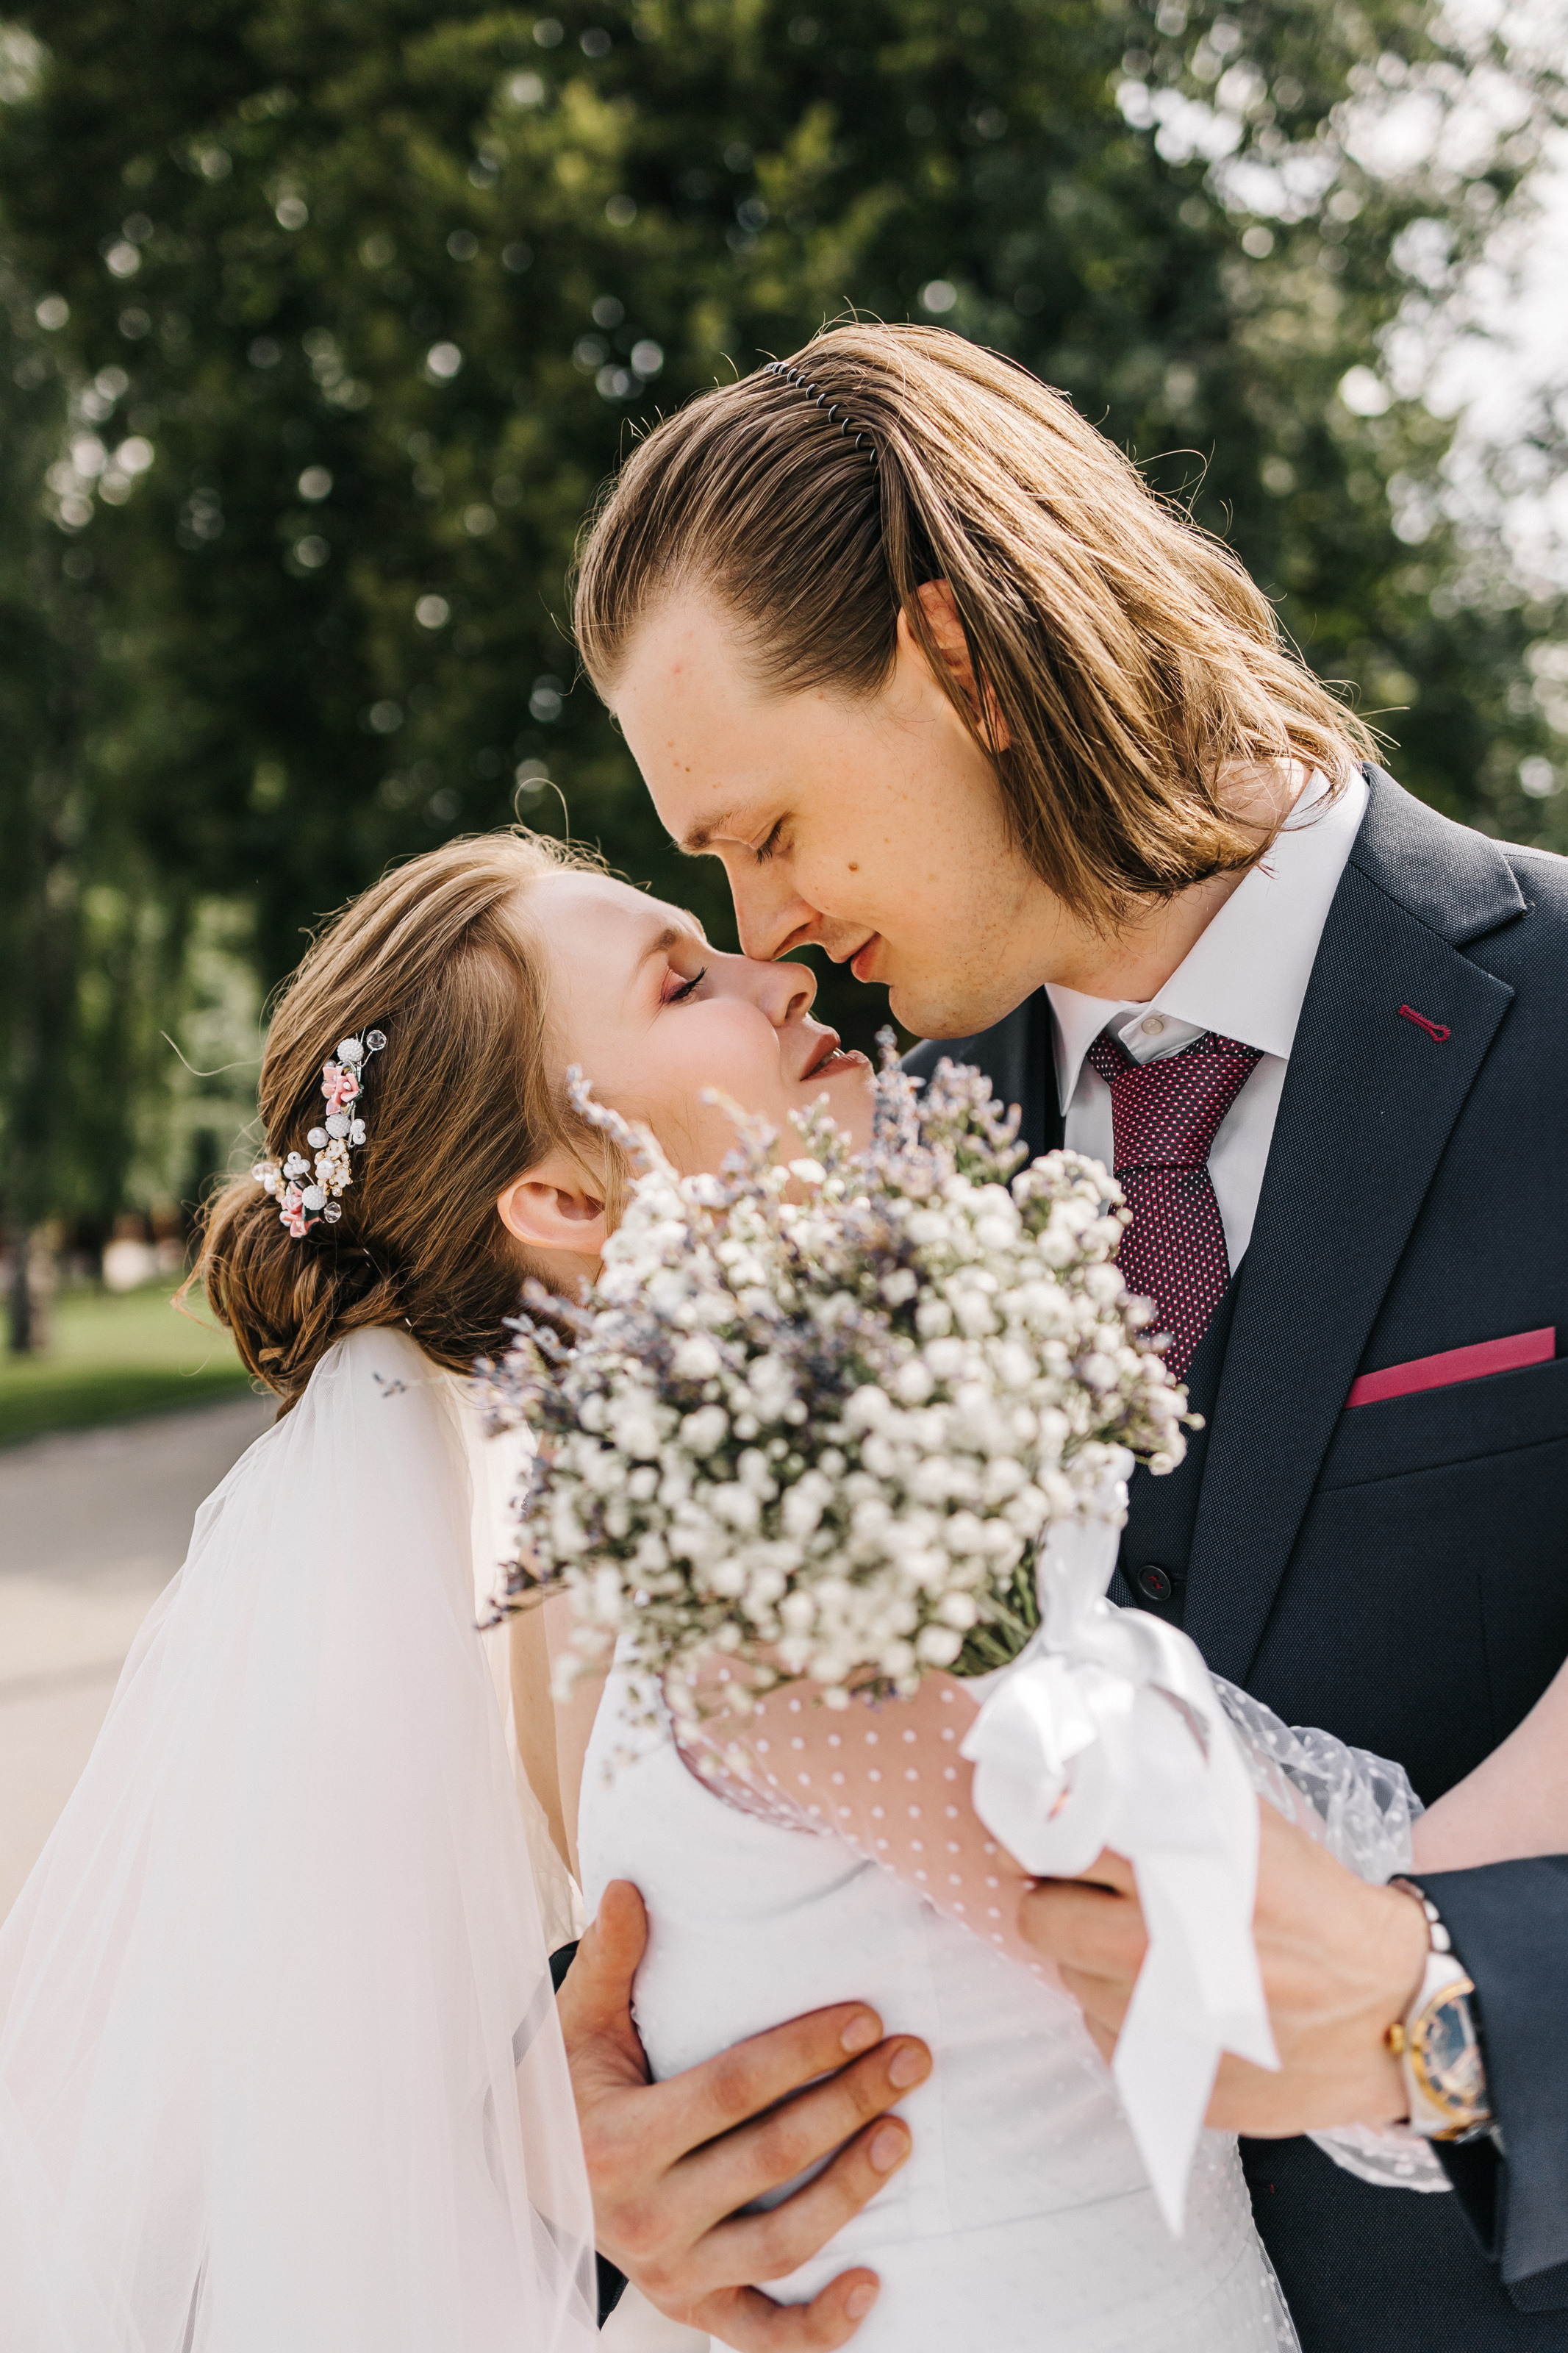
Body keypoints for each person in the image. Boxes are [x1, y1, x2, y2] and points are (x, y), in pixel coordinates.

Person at [565, 321, 1568, 2347]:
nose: (763, 935)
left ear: (955, 655)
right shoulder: (839, 1185)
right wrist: (609, 2159)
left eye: (765, 830)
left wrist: (1440, 2022)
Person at [0, 832, 923, 2353]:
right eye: (683, 978)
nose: (784, 974)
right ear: (561, 1199)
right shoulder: (636, 1543)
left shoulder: (657, 1479)